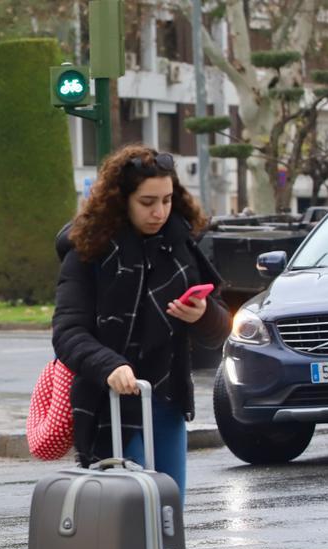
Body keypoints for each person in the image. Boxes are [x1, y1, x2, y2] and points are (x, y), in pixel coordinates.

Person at [52, 145, 230, 499]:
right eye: (147, 202)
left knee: (168, 507)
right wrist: (110, 366)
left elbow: (221, 327)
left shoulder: (181, 245)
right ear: (121, 200)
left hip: (167, 396)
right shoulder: (88, 252)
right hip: (110, 404)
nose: (159, 212)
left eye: (166, 200)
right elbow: (68, 332)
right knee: (128, 507)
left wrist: (203, 314)